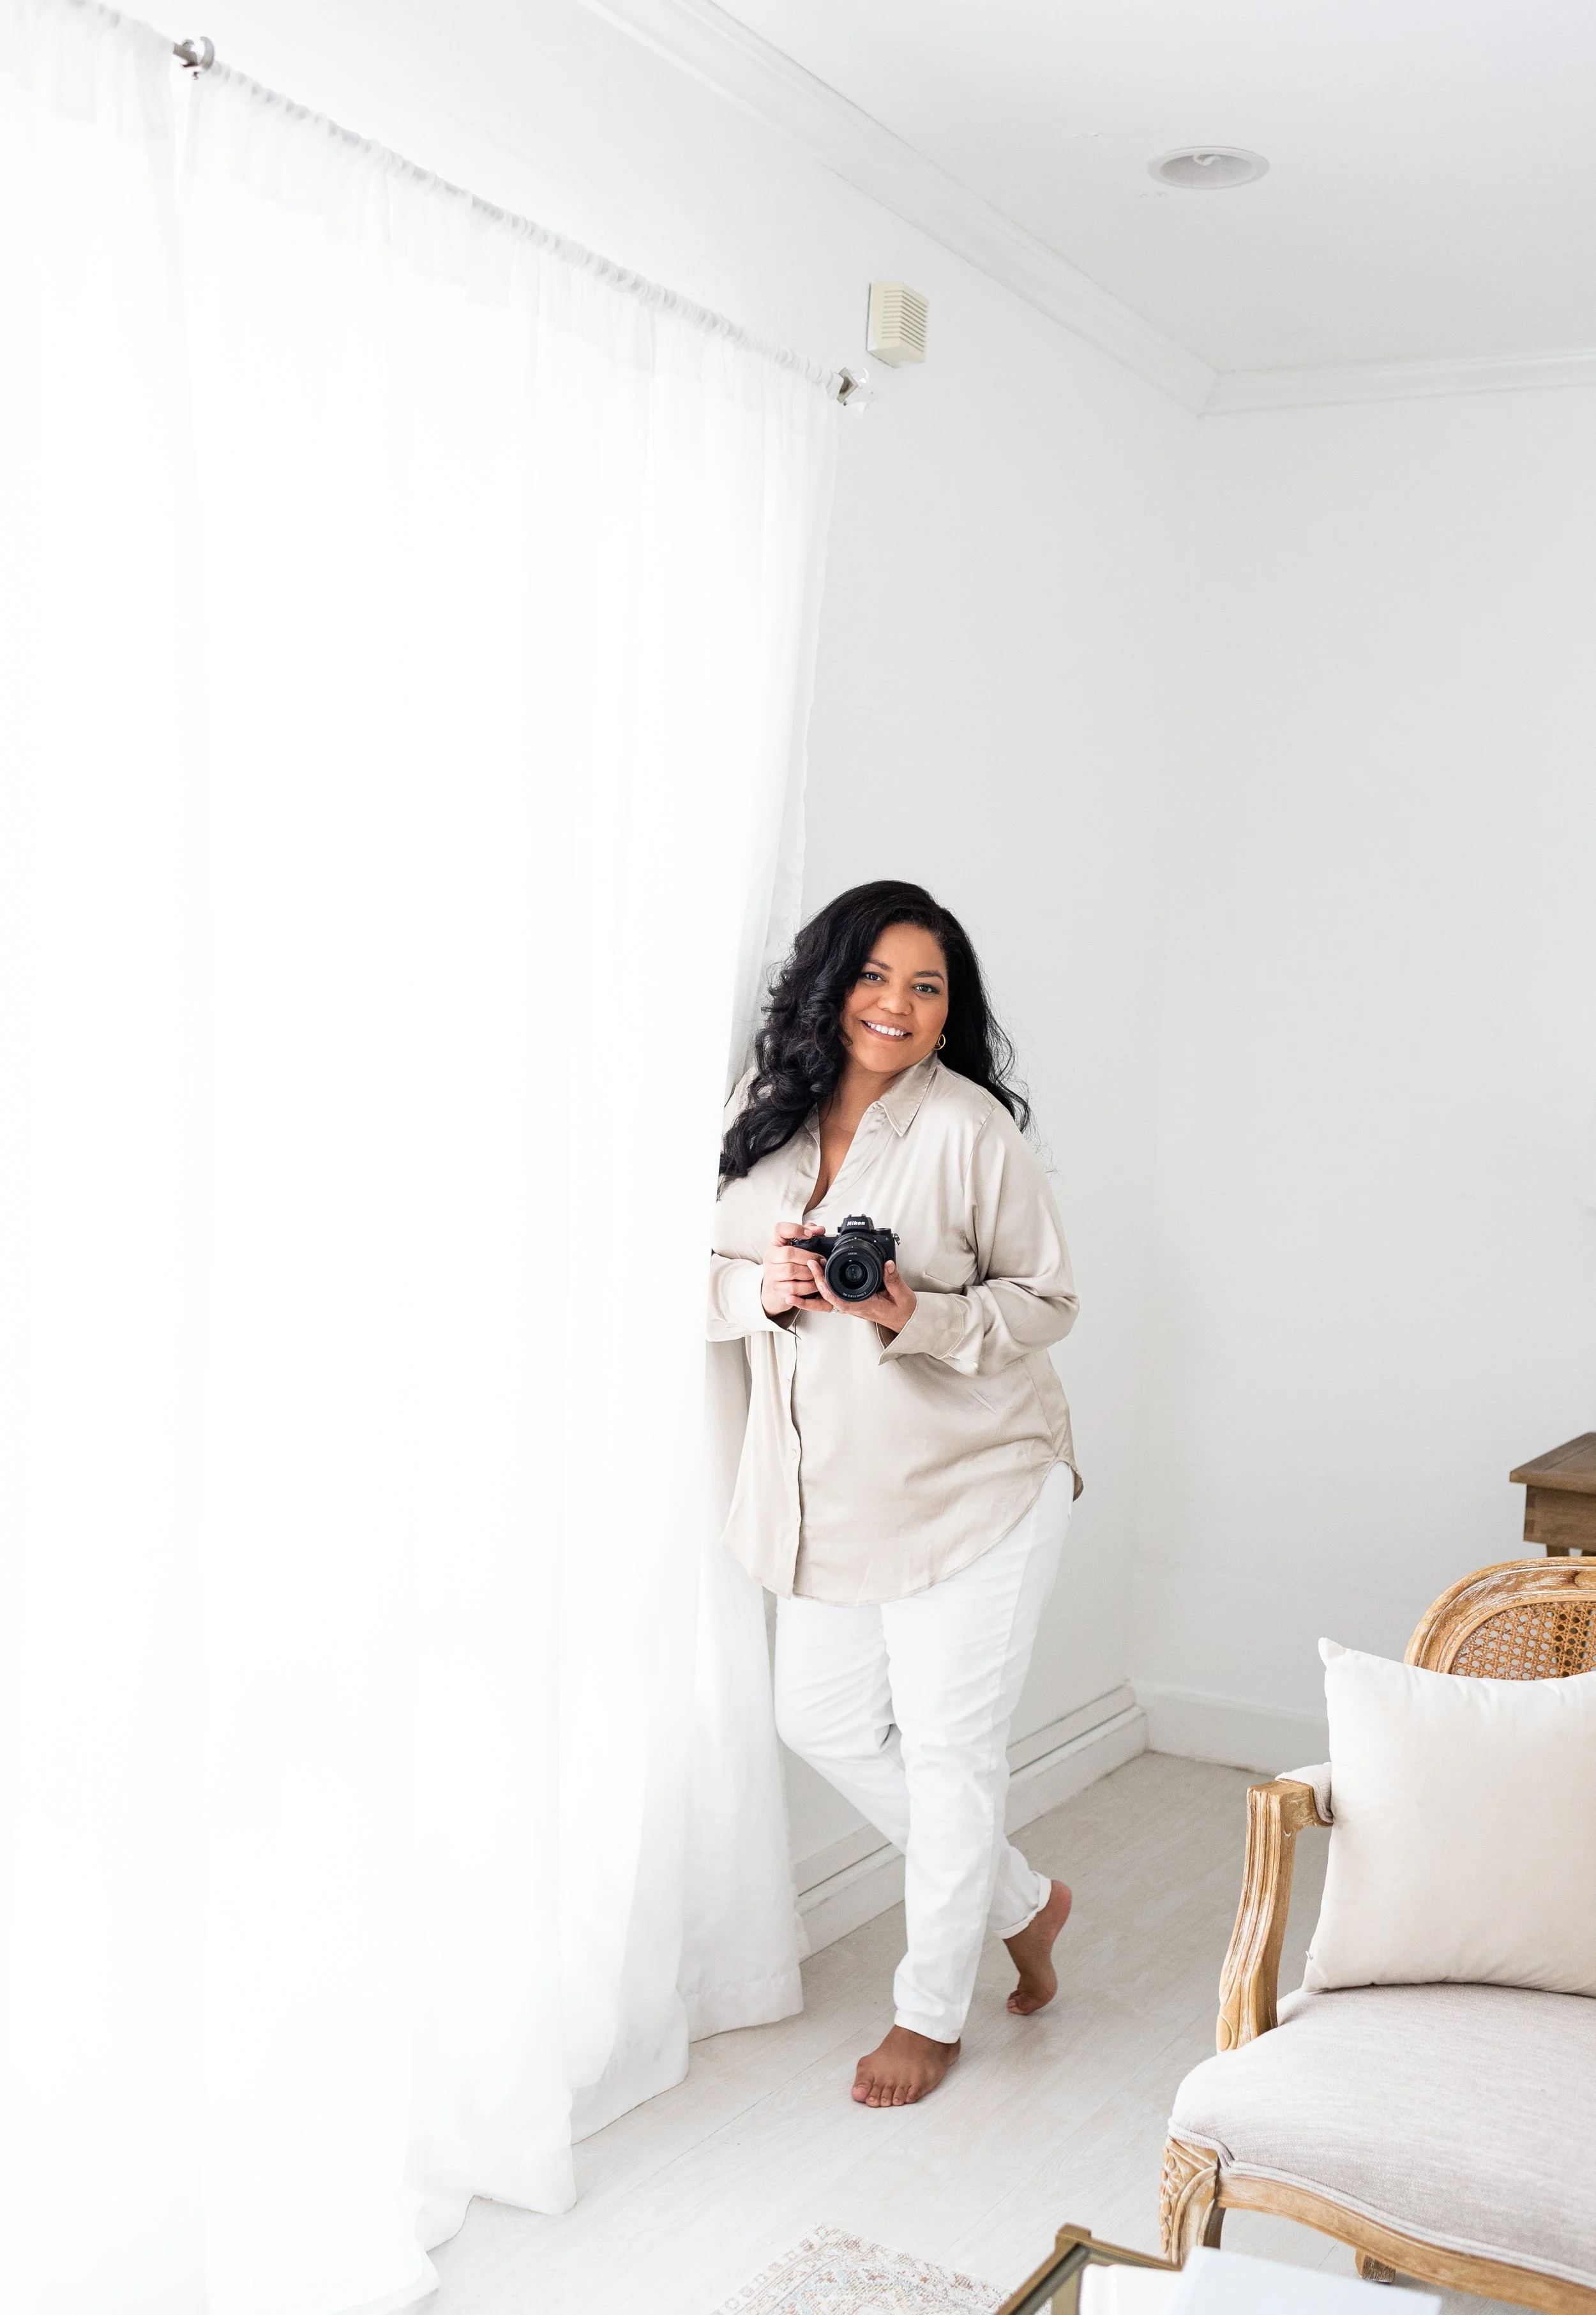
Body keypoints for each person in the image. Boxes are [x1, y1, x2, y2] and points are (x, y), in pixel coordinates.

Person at [709, 880, 1081, 2108]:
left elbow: (1048, 1302)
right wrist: (762, 1288)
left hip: (980, 1481)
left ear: (948, 1010)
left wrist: (912, 1309)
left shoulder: (973, 1131)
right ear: (833, 983)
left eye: (928, 986)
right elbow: (690, 1272)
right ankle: (1025, 1903)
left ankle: (931, 2012)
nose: (898, 1004)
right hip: (834, 1496)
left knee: (949, 1748)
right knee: (817, 1720)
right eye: (876, 976)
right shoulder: (762, 1115)